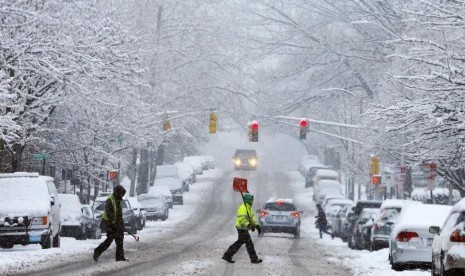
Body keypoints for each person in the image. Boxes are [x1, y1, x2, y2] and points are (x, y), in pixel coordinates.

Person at [222, 193, 263, 264]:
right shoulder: (243, 208)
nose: (252, 201)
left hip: (244, 228)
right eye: (251, 200)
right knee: (249, 243)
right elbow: (242, 219)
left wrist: (256, 226)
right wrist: (248, 225)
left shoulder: (248, 208)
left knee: (240, 242)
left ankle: (227, 255)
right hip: (241, 227)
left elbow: (252, 218)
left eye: (252, 200)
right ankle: (254, 259)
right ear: (247, 200)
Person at [93, 185, 128, 262]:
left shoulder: (119, 200)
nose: (122, 196)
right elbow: (109, 212)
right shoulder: (110, 199)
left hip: (118, 224)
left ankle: (120, 257)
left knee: (120, 240)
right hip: (109, 223)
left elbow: (119, 213)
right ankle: (97, 251)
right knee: (109, 240)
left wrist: (121, 224)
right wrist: (113, 223)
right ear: (117, 193)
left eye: (123, 194)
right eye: (121, 194)